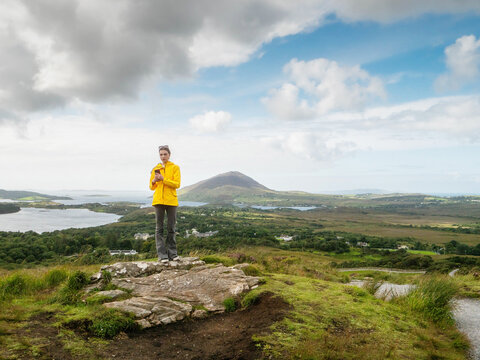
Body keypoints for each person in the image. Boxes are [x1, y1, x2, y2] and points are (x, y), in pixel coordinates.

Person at [149, 145, 181, 263]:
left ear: (169, 155)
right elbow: (151, 187)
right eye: (161, 154)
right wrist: (154, 181)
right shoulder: (155, 169)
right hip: (158, 201)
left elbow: (177, 184)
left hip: (171, 201)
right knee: (159, 229)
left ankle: (173, 254)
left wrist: (163, 179)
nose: (163, 156)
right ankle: (162, 256)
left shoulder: (175, 167)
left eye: (165, 154)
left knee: (171, 228)